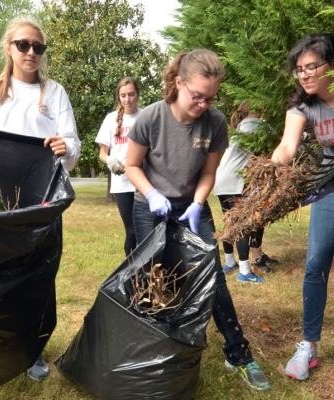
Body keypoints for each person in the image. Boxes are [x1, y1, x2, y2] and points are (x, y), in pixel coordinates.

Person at [125, 49, 270, 391]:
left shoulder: (216, 122)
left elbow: (209, 172)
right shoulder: (150, 117)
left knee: (213, 277)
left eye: (210, 98)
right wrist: (152, 194)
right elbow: (132, 166)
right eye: (197, 95)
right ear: (178, 83)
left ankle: (239, 354)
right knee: (151, 278)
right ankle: (151, 354)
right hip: (150, 204)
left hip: (193, 205)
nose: (203, 104)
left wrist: (197, 203)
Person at [0, 16, 81, 381]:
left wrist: (66, 147)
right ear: (9, 48)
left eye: (38, 47)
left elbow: (73, 143)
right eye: (23, 45)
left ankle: (32, 351)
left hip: (38, 205)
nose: (31, 52)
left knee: (36, 278)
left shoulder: (55, 92)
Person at [271, 32, 334, 381]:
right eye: (300, 69)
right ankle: (308, 345)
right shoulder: (304, 105)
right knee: (315, 264)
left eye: (313, 67)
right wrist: (273, 166)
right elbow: (287, 147)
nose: (306, 75)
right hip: (331, 189)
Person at [214, 101, 279, 283]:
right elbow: (279, 140)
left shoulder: (240, 126)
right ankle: (244, 272)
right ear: (257, 109)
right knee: (243, 225)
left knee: (230, 223)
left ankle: (229, 263)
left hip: (221, 181)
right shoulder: (256, 123)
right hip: (236, 180)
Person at [95, 77, 141, 256]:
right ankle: (131, 272)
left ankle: (148, 272)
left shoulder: (145, 116)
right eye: (123, 95)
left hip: (142, 182)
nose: (127, 99)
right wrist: (111, 161)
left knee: (146, 231)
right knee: (131, 231)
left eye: (131, 94)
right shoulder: (110, 119)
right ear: (118, 97)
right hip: (122, 184)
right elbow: (102, 153)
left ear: (138, 95)